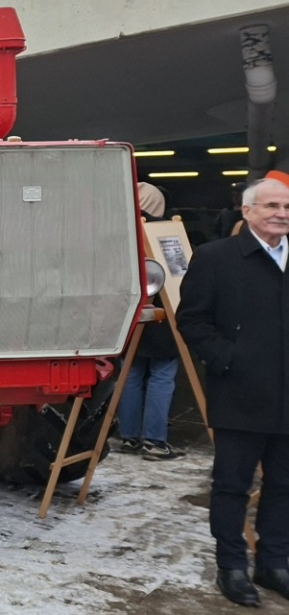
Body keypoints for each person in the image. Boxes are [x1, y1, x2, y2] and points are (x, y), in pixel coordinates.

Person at [178, 173, 289, 608]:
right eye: (271, 206)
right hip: (240, 395)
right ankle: (233, 567)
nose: (281, 214)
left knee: (284, 485)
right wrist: (229, 359)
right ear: (247, 211)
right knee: (231, 486)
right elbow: (193, 321)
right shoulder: (216, 258)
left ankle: (274, 561)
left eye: (286, 207)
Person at [117, 182, 183, 459]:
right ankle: (154, 441)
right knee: (162, 375)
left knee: (130, 373)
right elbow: (179, 274)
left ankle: (129, 436)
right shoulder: (166, 234)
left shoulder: (120, 230)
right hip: (162, 315)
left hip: (128, 314)